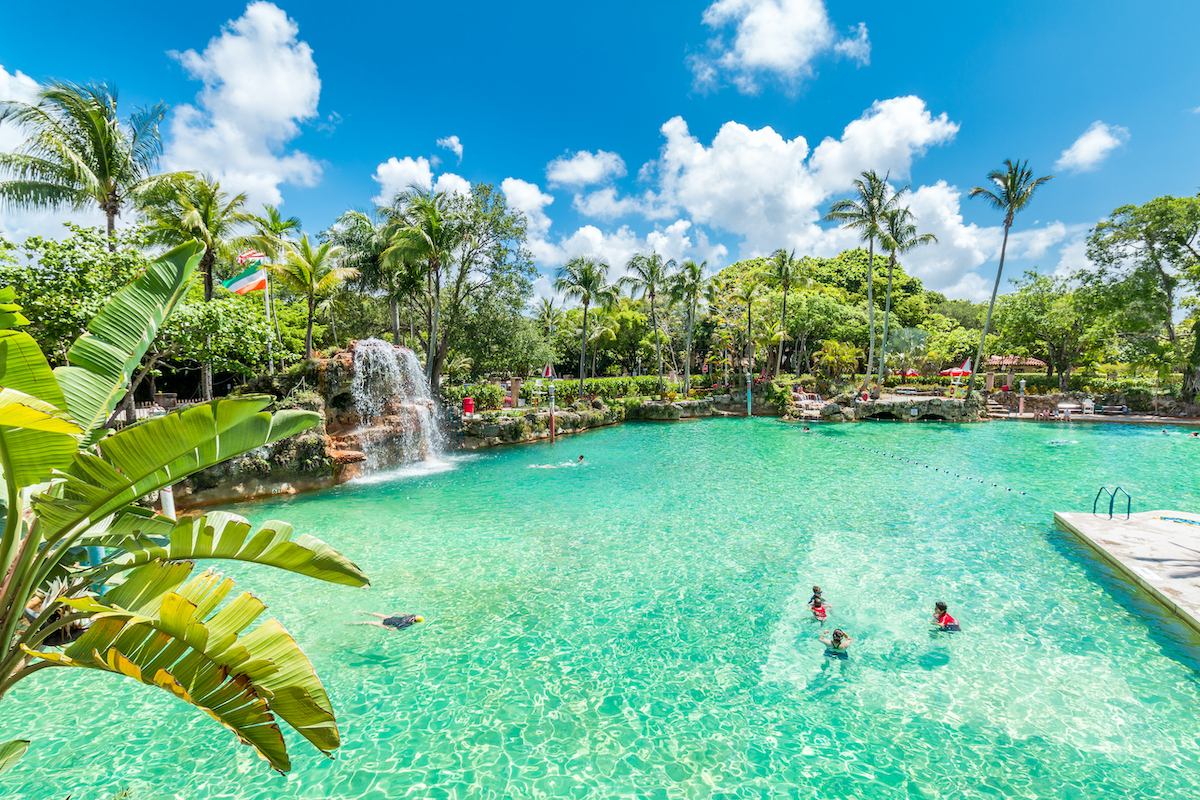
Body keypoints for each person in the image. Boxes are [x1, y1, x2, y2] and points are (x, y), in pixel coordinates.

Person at [351, 611, 424, 631]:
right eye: (414, 617)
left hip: (386, 623)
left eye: (414, 619)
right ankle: (361, 612)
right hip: (390, 617)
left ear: (415, 622)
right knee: (374, 614)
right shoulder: (412, 615)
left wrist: (383, 626)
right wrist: (398, 613)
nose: (412, 618)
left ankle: (352, 624)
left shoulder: (406, 625)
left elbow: (393, 630)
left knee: (367, 622)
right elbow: (408, 614)